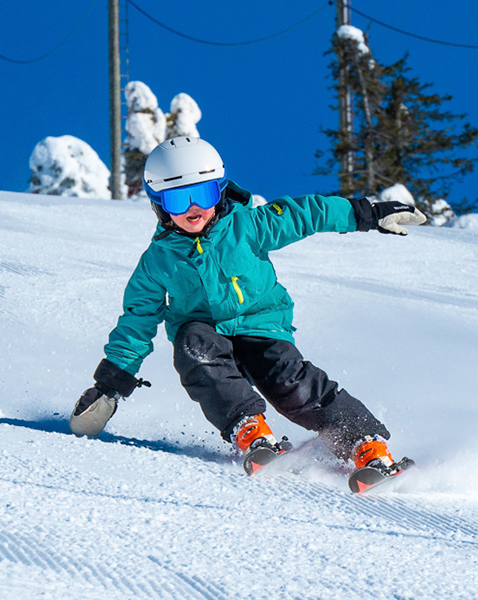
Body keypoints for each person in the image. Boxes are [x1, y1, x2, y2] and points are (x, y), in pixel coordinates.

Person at [70, 136, 425, 477]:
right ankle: (250, 429)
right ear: (158, 204)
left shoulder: (250, 225)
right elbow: (137, 321)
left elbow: (307, 213)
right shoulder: (157, 261)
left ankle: (366, 445)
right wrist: (110, 385)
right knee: (193, 346)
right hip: (205, 334)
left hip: (261, 325)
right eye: (179, 200)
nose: (194, 208)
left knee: (289, 381)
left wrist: (367, 213)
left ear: (220, 191)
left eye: (203, 193)